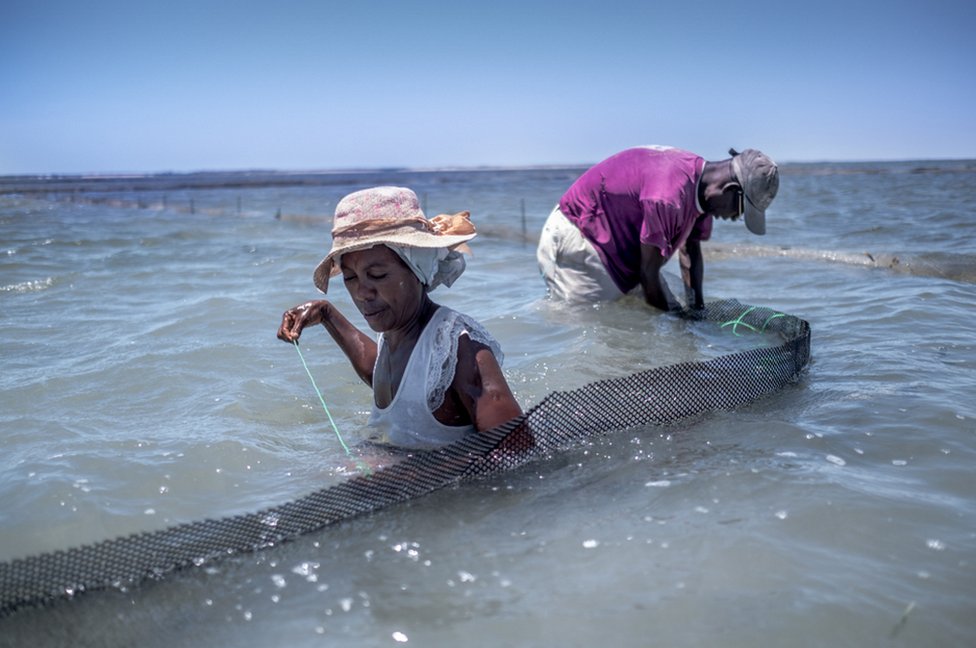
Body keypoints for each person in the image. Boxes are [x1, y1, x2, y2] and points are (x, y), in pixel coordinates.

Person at [277, 186, 523, 450]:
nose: (362, 293)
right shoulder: (395, 333)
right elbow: (384, 376)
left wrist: (402, 472)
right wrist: (327, 314)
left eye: (378, 275)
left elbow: (516, 451)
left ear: (418, 269)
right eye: (350, 278)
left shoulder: (461, 350)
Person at [537, 145, 779, 311]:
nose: (735, 217)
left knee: (656, 315)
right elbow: (648, 273)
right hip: (580, 236)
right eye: (741, 210)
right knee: (598, 327)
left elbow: (690, 253)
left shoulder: (703, 190)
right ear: (729, 191)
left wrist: (697, 310)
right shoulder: (668, 196)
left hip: (620, 249)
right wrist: (673, 333)